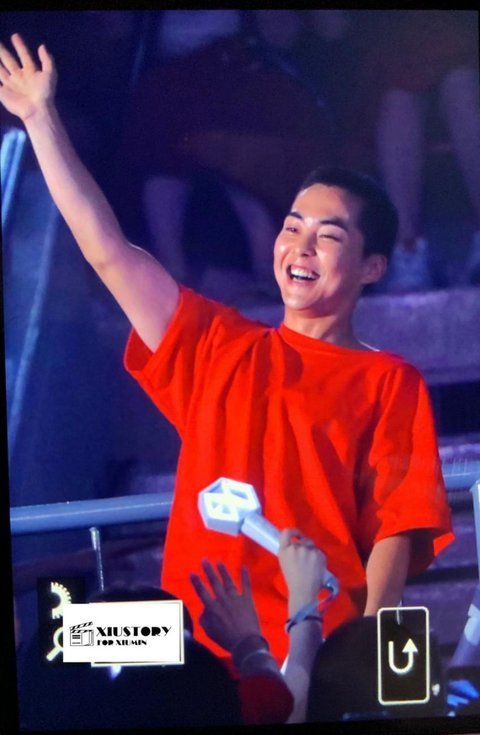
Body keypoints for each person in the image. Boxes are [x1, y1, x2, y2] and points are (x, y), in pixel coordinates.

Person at [0, 34, 454, 665]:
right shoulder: (216, 344)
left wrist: (368, 655)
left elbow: (395, 530)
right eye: (291, 227)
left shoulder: (387, 381)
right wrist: (40, 118)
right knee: (59, 657)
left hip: (313, 651)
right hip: (201, 659)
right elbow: (108, 253)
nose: (300, 246)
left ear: (371, 266)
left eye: (328, 236)